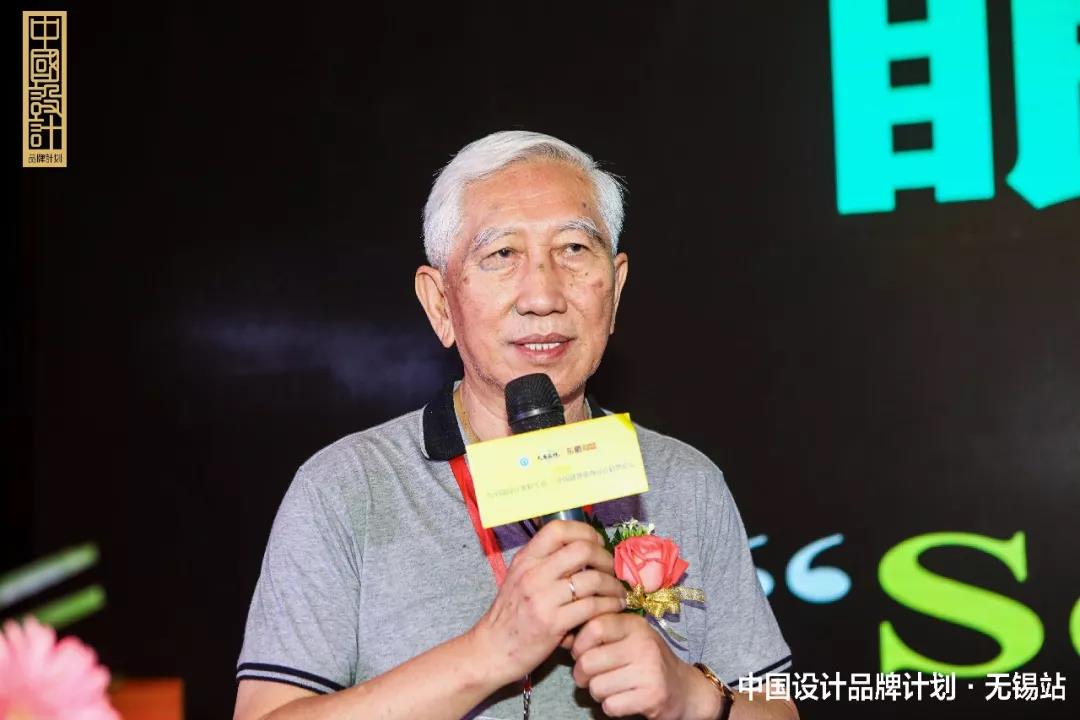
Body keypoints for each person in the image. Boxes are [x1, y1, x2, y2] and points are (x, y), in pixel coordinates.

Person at [233, 131, 798, 720]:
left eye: (574, 249)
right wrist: (489, 653)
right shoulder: (347, 488)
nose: (543, 295)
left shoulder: (685, 479)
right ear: (440, 303)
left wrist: (692, 698)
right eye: (501, 255)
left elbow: (779, 710)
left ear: (616, 288)